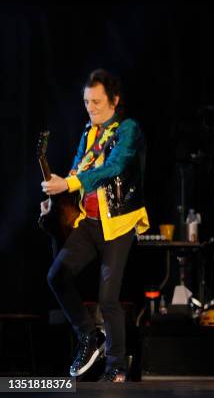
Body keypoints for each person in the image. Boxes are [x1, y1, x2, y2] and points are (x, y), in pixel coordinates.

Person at [41, 69, 149, 382]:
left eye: (97, 102)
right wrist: (57, 196)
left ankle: (117, 367)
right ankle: (90, 336)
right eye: (87, 102)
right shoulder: (90, 132)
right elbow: (77, 170)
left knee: (108, 298)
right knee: (57, 275)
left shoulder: (128, 130)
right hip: (89, 221)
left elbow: (114, 166)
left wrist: (71, 182)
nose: (91, 108)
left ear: (115, 101)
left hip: (117, 223)